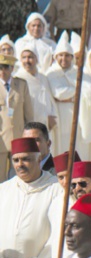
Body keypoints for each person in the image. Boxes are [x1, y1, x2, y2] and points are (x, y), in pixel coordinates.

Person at [0, 137, 62, 258]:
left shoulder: (56, 190)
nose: (21, 164)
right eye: (16, 160)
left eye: (26, 159)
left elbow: (59, 234)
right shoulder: (4, 190)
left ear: (39, 158)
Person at [13, 49, 57, 156]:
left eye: (30, 57)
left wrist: (52, 116)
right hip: (29, 128)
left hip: (46, 125)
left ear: (36, 59)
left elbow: (50, 98)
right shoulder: (18, 79)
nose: (27, 60)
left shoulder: (43, 78)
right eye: (24, 57)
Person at [46, 33, 80, 158]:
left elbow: (86, 90)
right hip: (59, 113)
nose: (64, 58)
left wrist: (72, 95)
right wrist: (74, 94)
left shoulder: (77, 72)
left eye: (67, 55)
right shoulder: (51, 73)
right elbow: (58, 93)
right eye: (60, 55)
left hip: (76, 114)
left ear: (72, 57)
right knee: (60, 147)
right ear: (56, 57)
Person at [0, 53, 33, 182]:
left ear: (12, 68)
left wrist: (30, 136)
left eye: (6, 67)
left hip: (19, 139)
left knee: (20, 178)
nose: (2, 71)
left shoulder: (21, 85)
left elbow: (28, 114)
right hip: (1, 140)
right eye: (0, 67)